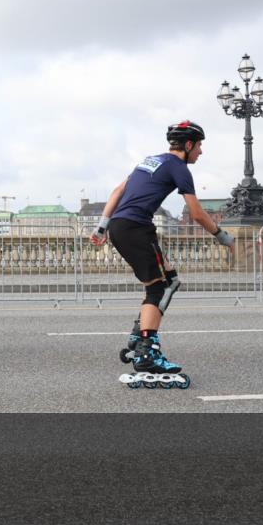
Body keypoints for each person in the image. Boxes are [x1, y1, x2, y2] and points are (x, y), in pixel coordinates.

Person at [90, 120, 234, 376]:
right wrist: (223, 237)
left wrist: (101, 227)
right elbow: (197, 213)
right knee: (158, 287)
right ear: (188, 145)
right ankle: (147, 351)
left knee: (170, 280)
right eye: (199, 146)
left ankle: (140, 333)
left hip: (121, 226)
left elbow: (117, 191)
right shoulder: (178, 167)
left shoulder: (148, 161)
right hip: (136, 228)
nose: (200, 152)